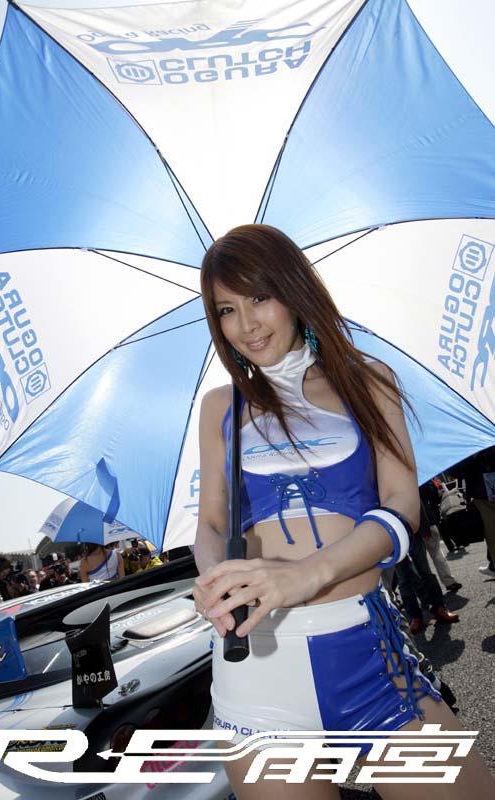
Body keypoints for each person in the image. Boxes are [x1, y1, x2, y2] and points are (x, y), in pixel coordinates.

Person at [192, 224, 494, 798]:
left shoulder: (368, 382)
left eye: (260, 297)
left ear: (294, 292)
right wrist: (215, 578)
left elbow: (403, 507)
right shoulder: (220, 407)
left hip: (365, 652)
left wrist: (308, 573)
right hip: (254, 672)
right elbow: (210, 524)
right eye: (227, 310)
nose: (247, 324)